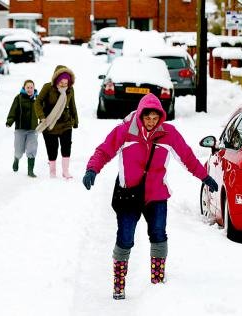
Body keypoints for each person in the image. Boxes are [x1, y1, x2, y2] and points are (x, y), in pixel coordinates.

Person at [82, 93, 218, 300]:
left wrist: (205, 177)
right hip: (128, 194)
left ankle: (157, 282)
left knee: (158, 235)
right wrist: (92, 169)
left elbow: (187, 157)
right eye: (148, 118)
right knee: (125, 239)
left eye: (156, 119)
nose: (151, 123)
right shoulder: (125, 131)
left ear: (160, 117)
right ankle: (119, 284)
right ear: (140, 115)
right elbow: (104, 151)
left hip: (156, 195)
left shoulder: (168, 134)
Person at [35, 65, 78, 179]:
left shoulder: (70, 90)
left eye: (66, 83)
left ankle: (65, 171)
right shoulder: (48, 88)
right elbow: (37, 102)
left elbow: (72, 105)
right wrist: (42, 116)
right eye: (62, 83)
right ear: (56, 80)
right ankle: (52, 172)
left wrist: (75, 120)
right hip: (49, 123)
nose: (64, 85)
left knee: (66, 147)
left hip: (65, 123)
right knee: (52, 148)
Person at [6, 79, 39, 177]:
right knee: (19, 150)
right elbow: (13, 111)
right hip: (20, 128)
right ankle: (16, 159)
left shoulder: (37, 99)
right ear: (24, 88)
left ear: (34, 88)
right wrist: (9, 121)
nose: (29, 89)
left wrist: (43, 121)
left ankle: (30, 171)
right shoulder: (19, 98)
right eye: (27, 87)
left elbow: (42, 111)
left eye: (31, 87)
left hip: (33, 129)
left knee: (32, 149)